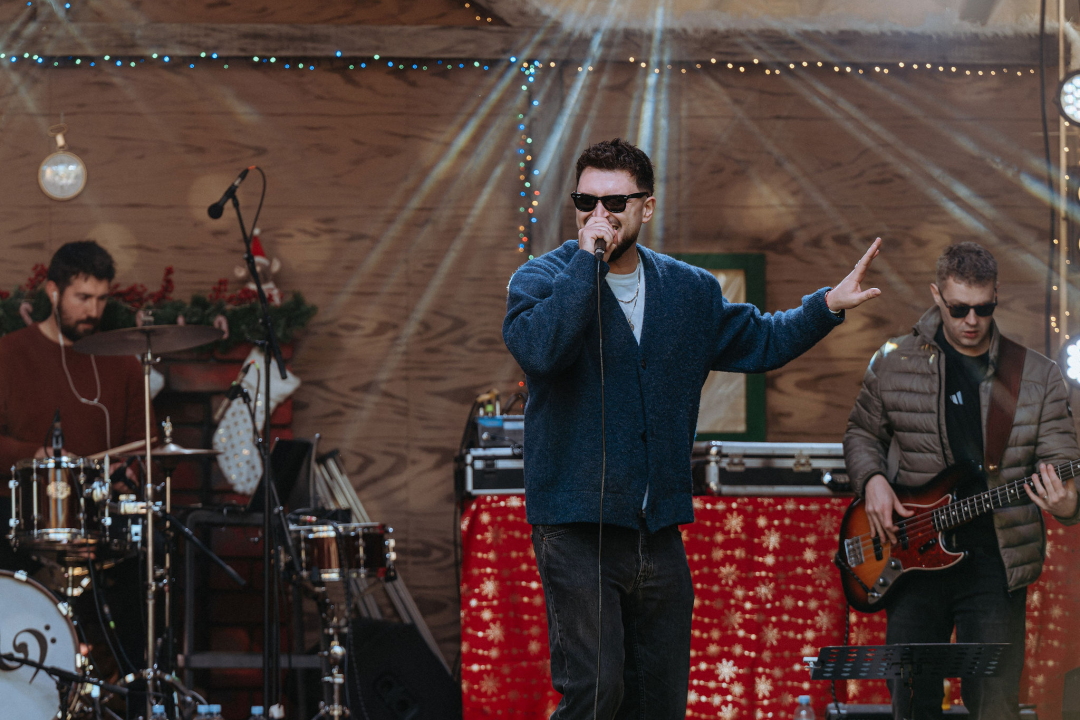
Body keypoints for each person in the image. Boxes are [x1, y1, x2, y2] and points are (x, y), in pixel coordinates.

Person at [502, 138, 883, 719]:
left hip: (656, 529)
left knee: (659, 699)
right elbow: (542, 350)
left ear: (647, 208)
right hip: (575, 527)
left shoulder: (689, 291)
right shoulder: (540, 279)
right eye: (586, 201)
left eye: (615, 203)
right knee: (596, 691)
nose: (598, 216)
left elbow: (763, 339)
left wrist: (826, 305)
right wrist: (587, 262)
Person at [844, 242, 1080, 719]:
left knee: (994, 704)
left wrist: (1066, 503)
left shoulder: (1037, 375)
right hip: (911, 559)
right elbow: (862, 433)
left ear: (996, 298)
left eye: (984, 308)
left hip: (997, 562)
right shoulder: (894, 360)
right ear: (937, 295)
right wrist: (871, 480)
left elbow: (1062, 459)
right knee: (912, 700)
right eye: (958, 308)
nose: (971, 320)